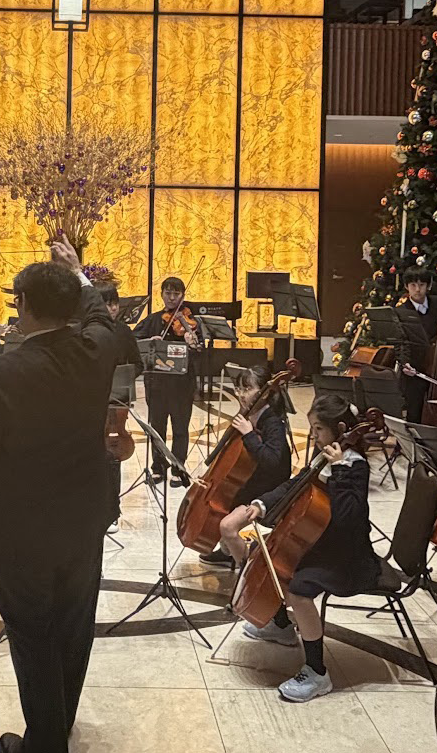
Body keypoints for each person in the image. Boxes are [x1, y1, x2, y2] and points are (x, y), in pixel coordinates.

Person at [0, 239, 128, 753]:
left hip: (19, 528)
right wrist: (79, 274)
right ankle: (60, 721)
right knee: (74, 626)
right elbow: (101, 316)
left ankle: (46, 752)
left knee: (31, 634)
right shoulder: (97, 350)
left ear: (25, 305)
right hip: (83, 519)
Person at [217, 394, 379, 703]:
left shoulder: (353, 466)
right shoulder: (324, 456)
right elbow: (295, 484)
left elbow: (348, 518)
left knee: (299, 589)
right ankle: (280, 625)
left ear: (340, 429)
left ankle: (317, 672)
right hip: (320, 544)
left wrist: (339, 470)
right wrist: (261, 504)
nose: (314, 436)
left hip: (347, 557)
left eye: (318, 429)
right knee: (273, 560)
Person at [200, 365, 296, 569]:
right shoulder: (250, 414)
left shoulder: (273, 422)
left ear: (265, 392)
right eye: (239, 389)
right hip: (253, 481)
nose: (241, 394)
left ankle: (247, 569)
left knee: (227, 521)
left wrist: (249, 434)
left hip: (268, 489)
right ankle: (228, 551)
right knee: (221, 497)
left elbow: (272, 461)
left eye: (247, 389)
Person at [132, 276, 202, 487]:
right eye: (168, 293)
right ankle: (158, 467)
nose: (171, 298)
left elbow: (201, 352)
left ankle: (178, 469)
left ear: (183, 296)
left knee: (180, 427)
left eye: (176, 294)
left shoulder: (192, 323)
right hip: (156, 383)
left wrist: (192, 344)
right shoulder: (153, 320)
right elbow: (133, 341)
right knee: (157, 427)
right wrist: (150, 342)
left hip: (182, 384)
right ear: (161, 294)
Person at [396, 272, 437, 423]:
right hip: (415, 369)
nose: (418, 289)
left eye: (422, 285)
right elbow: (401, 342)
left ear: (428, 286)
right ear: (406, 287)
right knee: (414, 411)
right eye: (413, 285)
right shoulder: (401, 311)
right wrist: (405, 363)